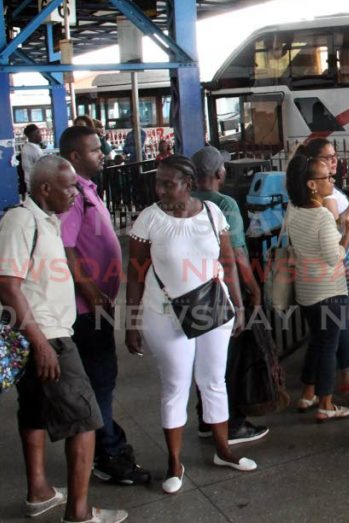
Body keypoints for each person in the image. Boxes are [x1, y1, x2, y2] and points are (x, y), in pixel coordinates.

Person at [0, 155, 127, 523]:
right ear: (45, 188)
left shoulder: (47, 221)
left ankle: (39, 492)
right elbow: (8, 287)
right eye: (68, 187)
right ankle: (79, 512)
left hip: (46, 334)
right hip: (47, 337)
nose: (74, 193)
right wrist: (40, 343)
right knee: (85, 421)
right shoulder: (21, 221)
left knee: (34, 413)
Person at [124, 155, 256, 495]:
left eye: (169, 183)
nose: (161, 189)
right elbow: (136, 275)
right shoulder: (149, 220)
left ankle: (223, 449)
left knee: (213, 380)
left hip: (212, 307)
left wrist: (238, 306)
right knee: (176, 386)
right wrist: (132, 321)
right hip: (164, 313)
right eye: (159, 182)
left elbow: (227, 262)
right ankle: (174, 462)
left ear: (189, 184)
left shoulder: (212, 214)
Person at [58, 126, 150, 486]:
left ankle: (104, 435)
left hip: (98, 303)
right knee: (100, 377)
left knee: (102, 377)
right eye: (95, 150)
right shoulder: (72, 196)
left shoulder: (87, 190)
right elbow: (66, 249)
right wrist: (91, 290)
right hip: (85, 308)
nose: (103, 154)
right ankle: (104, 451)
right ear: (75, 156)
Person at [190, 145, 269, 445]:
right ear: (220, 173)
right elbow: (236, 255)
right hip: (222, 291)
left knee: (204, 360)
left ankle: (205, 420)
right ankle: (231, 424)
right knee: (228, 362)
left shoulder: (184, 201)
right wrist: (252, 290)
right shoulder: (225, 205)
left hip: (193, 292)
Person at [284, 154, 349, 421]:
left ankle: (307, 393)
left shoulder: (293, 208)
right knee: (328, 347)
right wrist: (347, 235)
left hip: (306, 291)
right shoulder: (322, 216)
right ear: (312, 185)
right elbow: (334, 256)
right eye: (326, 177)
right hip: (329, 291)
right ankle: (326, 403)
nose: (332, 181)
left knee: (317, 342)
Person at [300, 138, 349, 394]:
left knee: (323, 336)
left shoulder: (310, 196)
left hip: (314, 279)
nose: (334, 161)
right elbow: (335, 237)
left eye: (334, 156)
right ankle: (328, 396)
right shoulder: (324, 200)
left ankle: (309, 392)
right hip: (330, 277)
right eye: (328, 158)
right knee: (333, 332)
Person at [20, 123, 45, 193]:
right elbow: (43, 166)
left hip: (31, 181)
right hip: (35, 182)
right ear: (32, 136)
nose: (40, 135)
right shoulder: (34, 150)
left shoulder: (28, 146)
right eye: (38, 133)